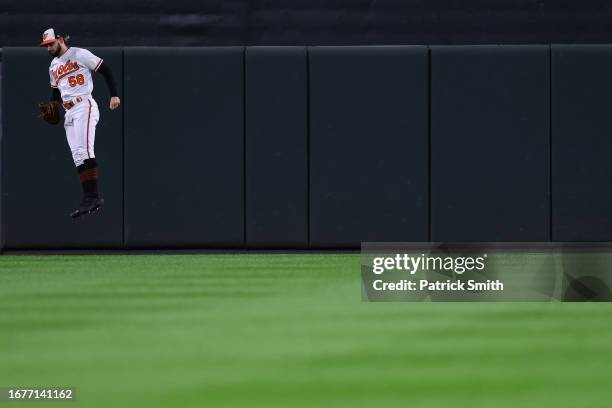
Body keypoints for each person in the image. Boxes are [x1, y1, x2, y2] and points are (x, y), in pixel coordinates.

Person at [39, 28, 121, 218]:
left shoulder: (79, 54)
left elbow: (105, 69)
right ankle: (88, 197)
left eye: (51, 43)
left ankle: (94, 196)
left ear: (60, 40)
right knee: (77, 155)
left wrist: (114, 95)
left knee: (85, 151)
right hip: (69, 111)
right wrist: (53, 105)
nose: (48, 47)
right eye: (46, 45)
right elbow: (56, 92)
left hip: (84, 104)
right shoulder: (53, 66)